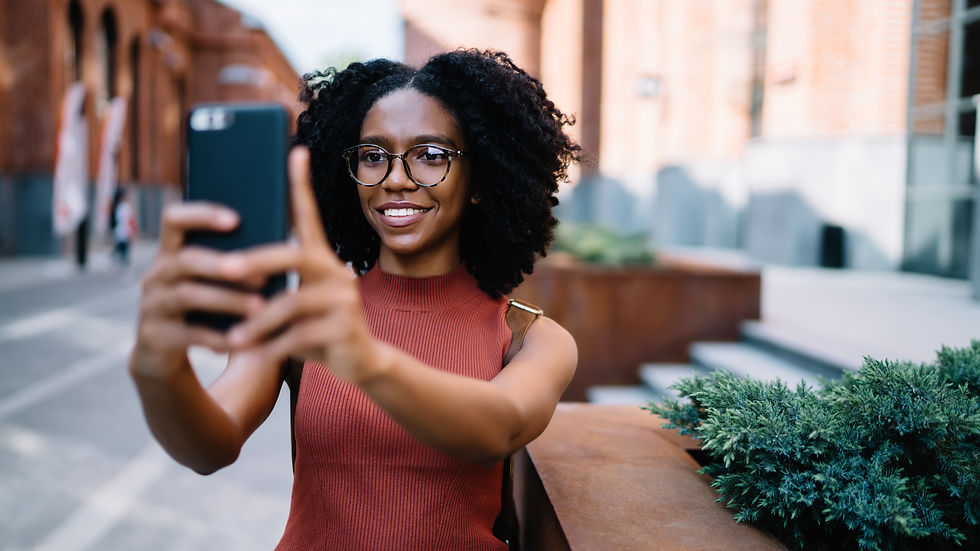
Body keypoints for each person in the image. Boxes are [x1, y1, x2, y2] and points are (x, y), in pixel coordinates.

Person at [128, 49, 580, 550]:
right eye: (373, 155)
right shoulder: (308, 314)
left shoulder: (533, 339)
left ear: (481, 180)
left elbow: (499, 427)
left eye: (431, 155)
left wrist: (366, 361)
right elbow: (209, 446)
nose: (395, 179)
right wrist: (158, 369)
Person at [110, 187, 135, 267]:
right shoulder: (124, 207)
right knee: (123, 246)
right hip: (124, 230)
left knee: (122, 245)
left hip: (120, 230)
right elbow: (129, 219)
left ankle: (119, 257)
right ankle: (121, 258)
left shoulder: (118, 207)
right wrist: (132, 229)